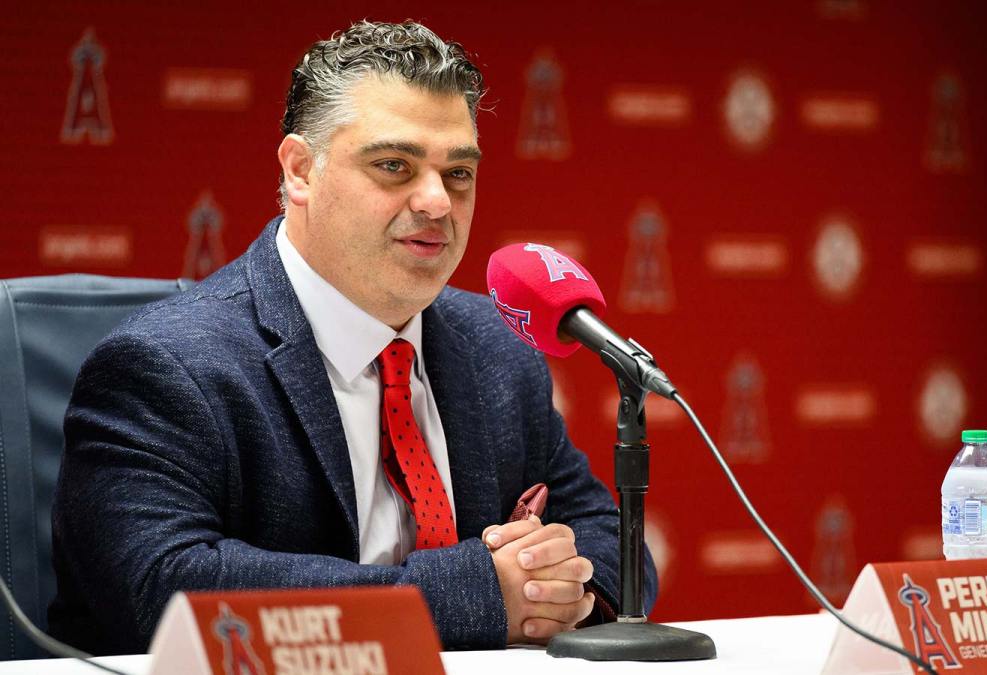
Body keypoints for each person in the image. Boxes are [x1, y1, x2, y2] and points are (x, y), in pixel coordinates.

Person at [49, 19, 656, 655]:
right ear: (300, 170)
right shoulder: (165, 365)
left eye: (458, 173)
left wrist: (561, 587)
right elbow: (162, 589)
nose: (437, 203)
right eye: (394, 165)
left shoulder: (497, 347)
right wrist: (475, 595)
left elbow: (610, 536)